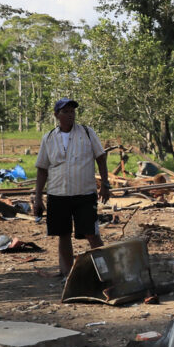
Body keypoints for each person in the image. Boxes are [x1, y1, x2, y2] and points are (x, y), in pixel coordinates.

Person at [32, 98, 111, 277]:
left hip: (84, 194)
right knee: (63, 234)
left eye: (72, 111)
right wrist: (38, 198)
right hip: (57, 194)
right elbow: (42, 169)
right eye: (65, 112)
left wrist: (105, 185)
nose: (70, 115)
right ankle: (67, 274)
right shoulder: (49, 138)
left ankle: (106, 272)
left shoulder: (87, 133)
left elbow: (101, 158)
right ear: (56, 115)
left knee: (92, 234)